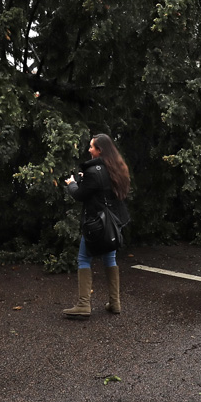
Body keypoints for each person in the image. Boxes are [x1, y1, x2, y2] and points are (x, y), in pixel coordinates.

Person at [62, 133, 131, 319]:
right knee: (110, 258)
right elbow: (105, 190)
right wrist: (87, 179)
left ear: (99, 150)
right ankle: (115, 303)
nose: (89, 149)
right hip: (113, 223)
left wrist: (72, 184)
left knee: (83, 258)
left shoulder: (94, 171)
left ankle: (84, 305)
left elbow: (80, 195)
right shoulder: (117, 167)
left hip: (96, 223)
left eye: (92, 146)